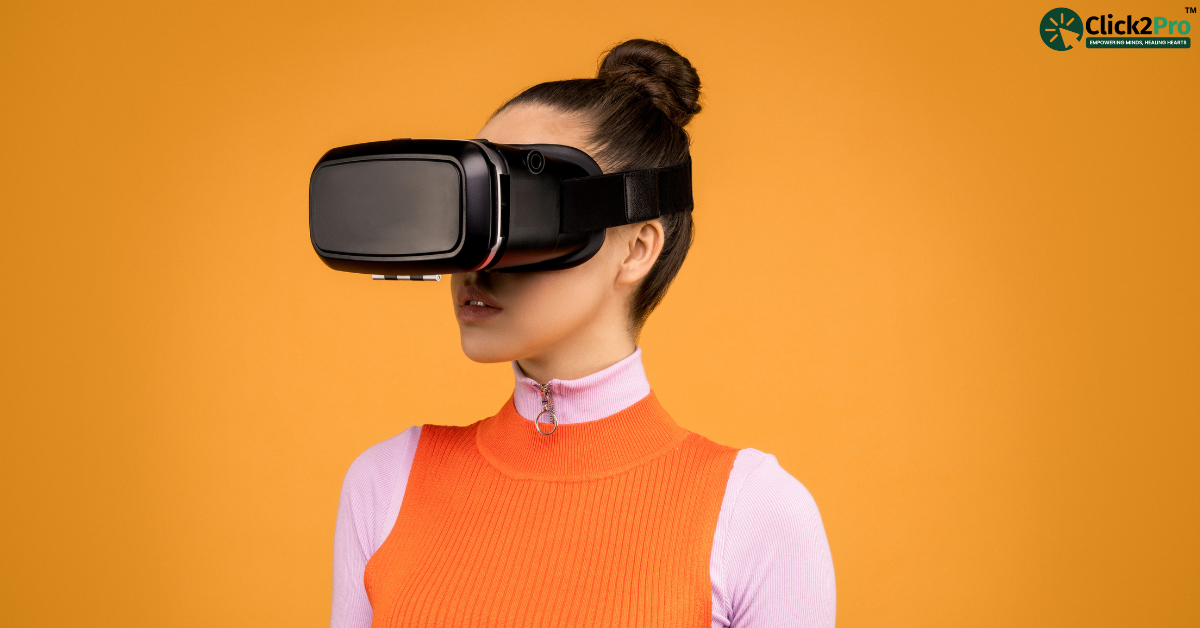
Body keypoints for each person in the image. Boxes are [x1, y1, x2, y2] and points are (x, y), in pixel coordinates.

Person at [330, 39, 836, 628]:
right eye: (469, 212)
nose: (477, 262)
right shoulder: (385, 484)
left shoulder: (755, 512)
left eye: (519, 212)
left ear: (637, 248)